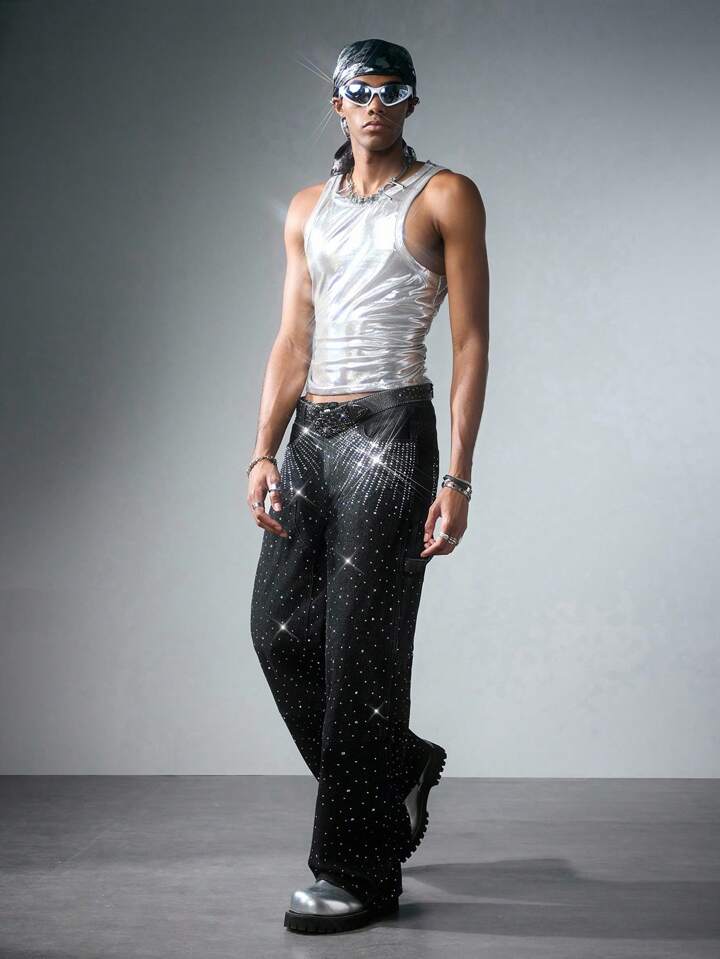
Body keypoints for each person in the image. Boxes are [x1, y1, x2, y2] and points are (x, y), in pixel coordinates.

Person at [248, 37, 489, 934]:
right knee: (278, 631)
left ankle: (357, 870)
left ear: (412, 102)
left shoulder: (446, 195)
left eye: (394, 91)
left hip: (392, 430)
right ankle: (394, 772)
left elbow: (472, 342)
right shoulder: (307, 208)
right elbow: (293, 338)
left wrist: (458, 474)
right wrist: (262, 450)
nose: (376, 105)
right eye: (361, 90)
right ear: (339, 102)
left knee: (362, 651)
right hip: (311, 434)